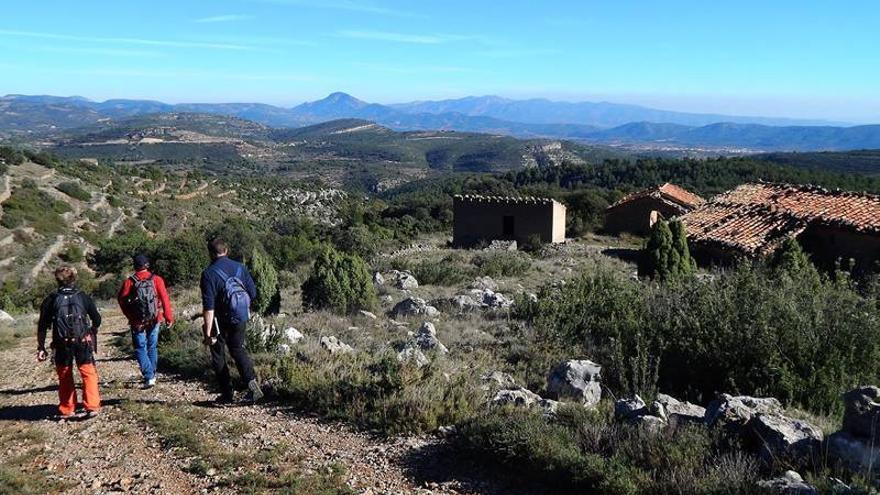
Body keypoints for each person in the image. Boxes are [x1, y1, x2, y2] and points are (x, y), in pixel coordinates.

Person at [200, 238, 263, 404]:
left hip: (220, 320)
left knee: (218, 354)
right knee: (238, 349)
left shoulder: (208, 274)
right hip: (240, 316)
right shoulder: (240, 268)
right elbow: (253, 293)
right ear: (226, 250)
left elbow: (209, 307)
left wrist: (208, 332)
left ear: (211, 253)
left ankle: (227, 394)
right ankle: (252, 385)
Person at [37, 265, 102, 419]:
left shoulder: (51, 299)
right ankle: (92, 406)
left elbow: (42, 326)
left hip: (61, 343)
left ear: (57, 280)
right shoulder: (82, 296)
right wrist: (92, 329)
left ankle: (67, 409)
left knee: (65, 375)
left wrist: (41, 347)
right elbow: (97, 319)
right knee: (88, 373)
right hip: (82, 340)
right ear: (74, 278)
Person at [118, 254, 174, 388]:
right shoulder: (157, 279)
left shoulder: (129, 282)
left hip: (137, 321)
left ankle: (149, 376)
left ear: (135, 266)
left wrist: (129, 315)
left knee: (140, 348)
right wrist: (168, 317)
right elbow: (165, 299)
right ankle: (152, 374)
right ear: (147, 265)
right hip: (155, 319)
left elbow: (121, 300)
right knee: (152, 346)